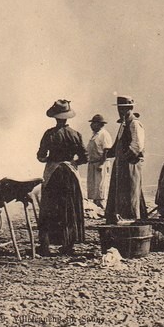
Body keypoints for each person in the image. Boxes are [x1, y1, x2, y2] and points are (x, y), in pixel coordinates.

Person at [36, 99, 88, 256]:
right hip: (70, 175)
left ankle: (45, 244)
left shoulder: (49, 134)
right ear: (67, 117)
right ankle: (69, 244)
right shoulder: (75, 134)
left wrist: (49, 160)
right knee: (70, 208)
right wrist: (73, 162)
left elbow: (40, 156)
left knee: (50, 208)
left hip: (53, 174)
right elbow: (85, 157)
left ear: (55, 117)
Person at [105, 95, 147, 223]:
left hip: (130, 164)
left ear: (131, 108)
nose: (121, 111)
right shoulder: (123, 124)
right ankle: (118, 217)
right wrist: (110, 152)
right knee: (118, 191)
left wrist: (125, 157)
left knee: (130, 191)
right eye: (119, 108)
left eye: (124, 109)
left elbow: (137, 145)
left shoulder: (134, 124)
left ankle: (131, 218)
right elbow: (119, 142)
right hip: (121, 164)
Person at [86, 114, 113, 209]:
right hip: (93, 162)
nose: (91, 125)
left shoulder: (104, 134)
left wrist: (102, 164)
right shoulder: (94, 135)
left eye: (93, 123)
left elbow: (107, 150)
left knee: (101, 184)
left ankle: (101, 205)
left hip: (101, 163)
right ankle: (95, 204)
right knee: (93, 185)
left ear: (99, 124)